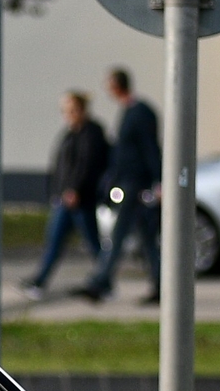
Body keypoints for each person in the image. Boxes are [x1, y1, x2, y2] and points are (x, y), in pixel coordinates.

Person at [83, 67, 161, 305]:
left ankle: (101, 280)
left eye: (109, 85)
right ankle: (162, 285)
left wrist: (159, 181)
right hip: (127, 181)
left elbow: (150, 148)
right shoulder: (128, 111)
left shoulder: (140, 113)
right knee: (147, 239)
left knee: (118, 234)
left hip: (136, 184)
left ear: (117, 85)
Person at [24, 91, 108, 300]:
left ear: (82, 109)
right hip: (65, 198)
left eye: (71, 110)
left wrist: (76, 190)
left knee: (92, 243)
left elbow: (87, 166)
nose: (68, 114)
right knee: (55, 240)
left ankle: (105, 280)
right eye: (65, 110)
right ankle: (39, 281)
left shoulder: (92, 133)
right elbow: (61, 165)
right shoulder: (70, 134)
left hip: (80, 200)